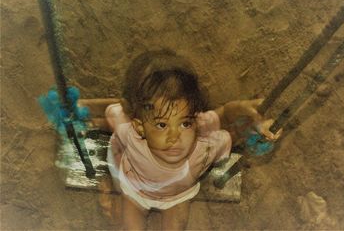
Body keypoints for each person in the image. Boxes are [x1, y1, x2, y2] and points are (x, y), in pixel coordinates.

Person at [80, 49, 282, 230]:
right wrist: (85, 117)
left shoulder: (204, 144)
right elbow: (114, 112)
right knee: (129, 223)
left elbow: (228, 125)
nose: (175, 136)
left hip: (176, 198)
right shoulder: (130, 136)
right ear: (139, 126)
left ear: (195, 118)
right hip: (135, 192)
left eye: (185, 123)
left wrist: (255, 124)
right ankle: (114, 193)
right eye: (161, 125)